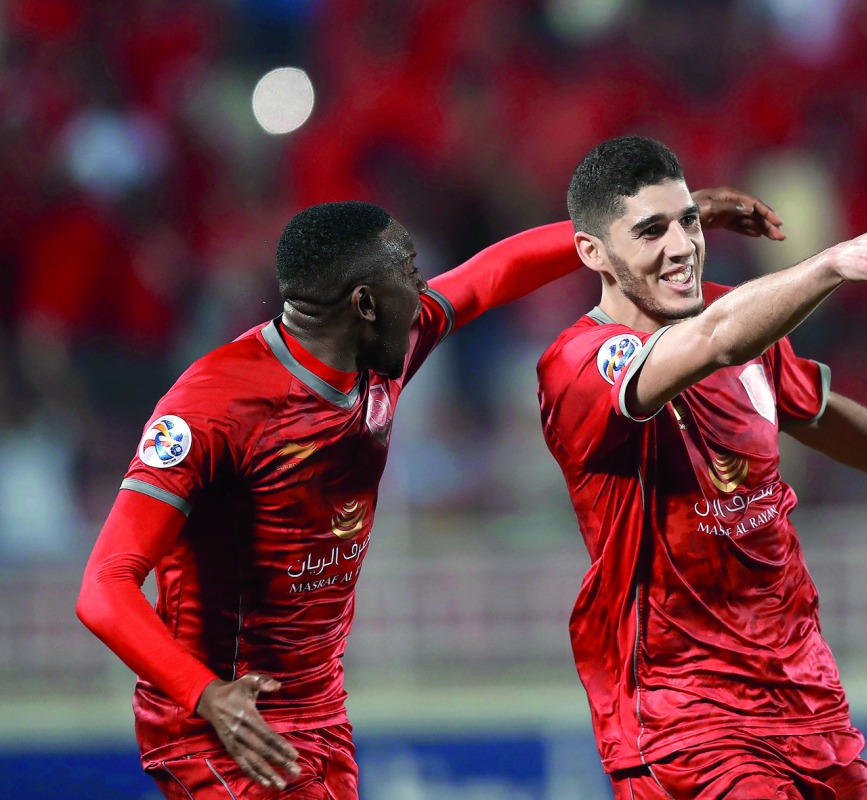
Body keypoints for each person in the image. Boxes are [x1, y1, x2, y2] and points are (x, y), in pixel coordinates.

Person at [76, 192, 781, 799]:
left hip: (316, 708)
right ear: (363, 302)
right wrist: (206, 695)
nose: (424, 288)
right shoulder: (214, 406)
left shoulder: (383, 353)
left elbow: (489, 276)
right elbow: (104, 587)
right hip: (223, 723)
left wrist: (632, 235)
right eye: (408, 274)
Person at [536, 136, 867, 799]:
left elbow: (816, 412)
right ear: (594, 253)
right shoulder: (583, 365)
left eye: (688, 221)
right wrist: (836, 263)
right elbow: (714, 341)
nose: (681, 247)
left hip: (806, 700)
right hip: (685, 721)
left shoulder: (736, 317)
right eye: (651, 231)